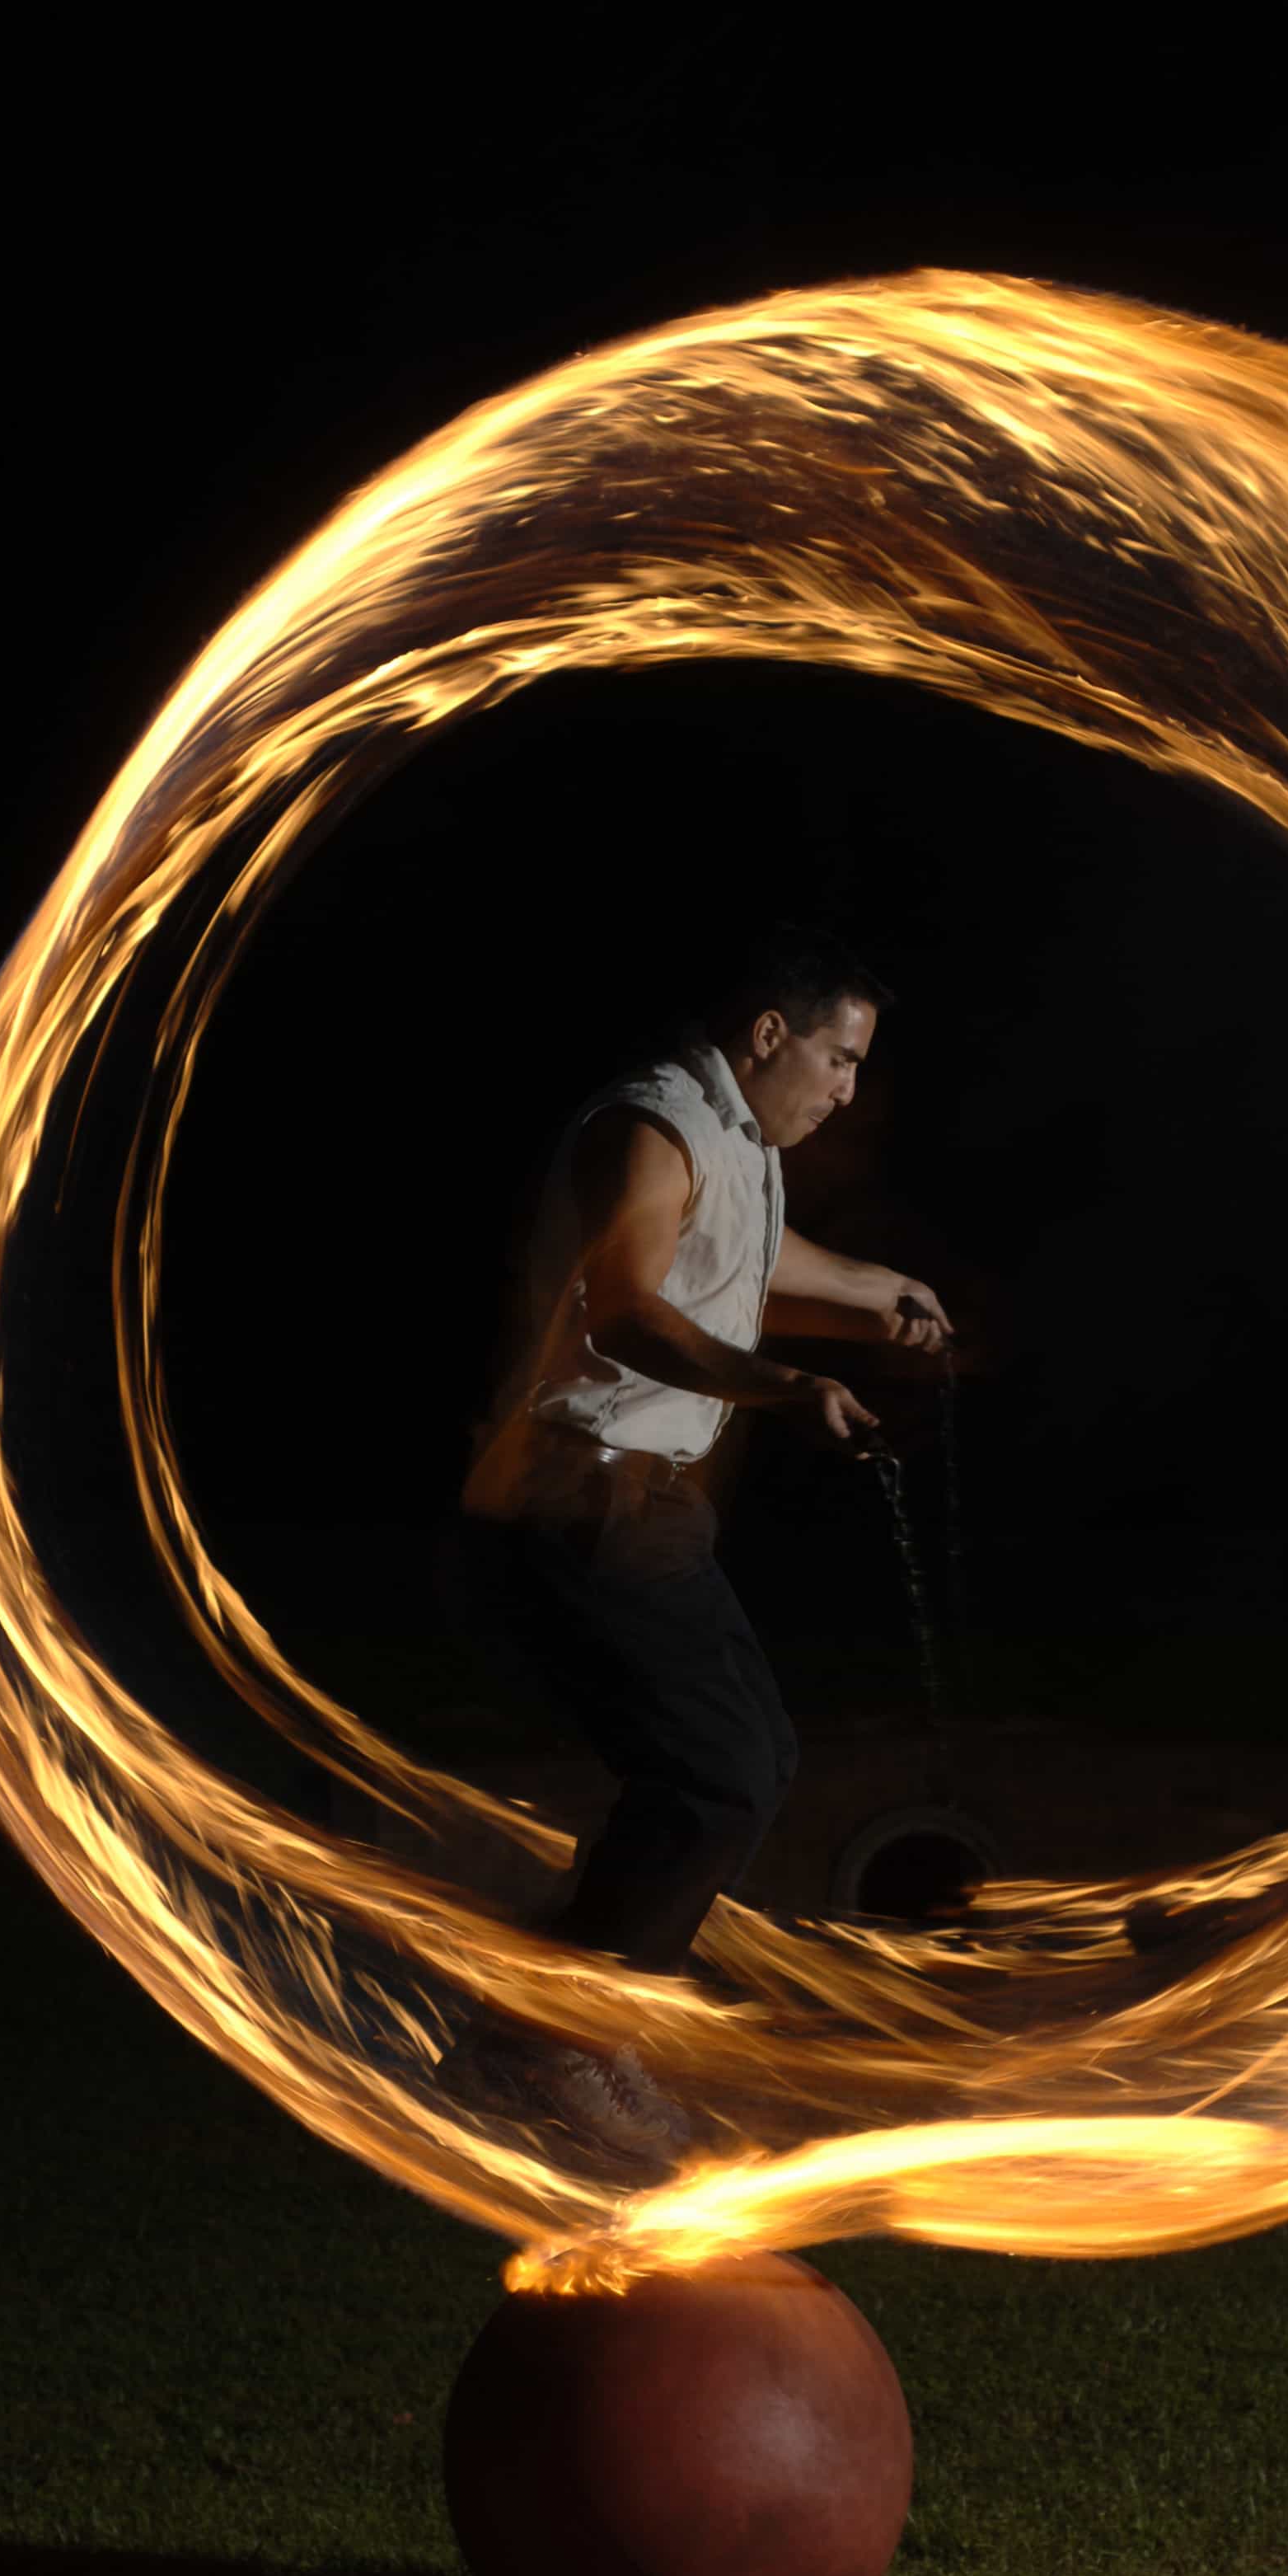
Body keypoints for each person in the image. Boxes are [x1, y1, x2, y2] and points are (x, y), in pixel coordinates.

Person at [438, 927, 952, 2173]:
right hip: (584, 1496)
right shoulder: (656, 1124)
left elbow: (748, 1262)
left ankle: (556, 2022)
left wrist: (875, 1289)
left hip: (649, 1506)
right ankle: (553, 2039)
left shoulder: (739, 1141)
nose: (845, 1091)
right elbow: (627, 1307)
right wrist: (785, 1386)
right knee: (718, 1775)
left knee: (749, 1760)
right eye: (837, 1058)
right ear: (768, 1035)